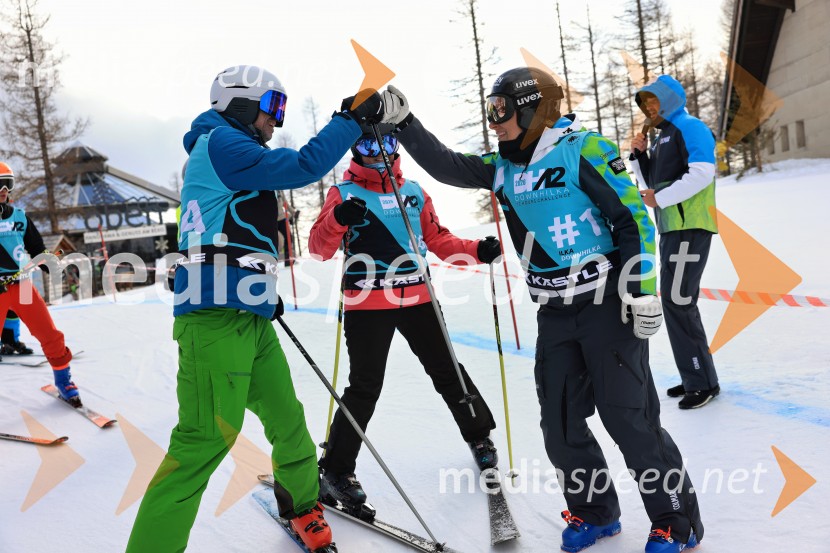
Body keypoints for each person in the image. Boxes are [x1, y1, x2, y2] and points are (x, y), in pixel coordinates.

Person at [381, 68, 703, 553]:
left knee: (630, 419)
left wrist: (641, 288)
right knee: (560, 422)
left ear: (533, 107)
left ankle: (677, 523)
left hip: (606, 307)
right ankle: (596, 513)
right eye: (491, 110)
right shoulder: (504, 167)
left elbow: (633, 216)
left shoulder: (582, 148)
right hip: (554, 312)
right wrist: (404, 124)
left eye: (502, 110)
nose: (496, 122)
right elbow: (447, 165)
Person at [125, 65, 390, 553]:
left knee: (289, 423)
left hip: (246, 313)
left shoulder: (232, 152)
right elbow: (303, 166)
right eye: (274, 108)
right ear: (242, 103)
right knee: (202, 444)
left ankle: (303, 506)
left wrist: (258, 289)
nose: (277, 121)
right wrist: (349, 120)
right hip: (214, 323)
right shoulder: (221, 143)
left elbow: (233, 235)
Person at [308, 122, 502, 517]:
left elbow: (438, 240)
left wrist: (477, 250)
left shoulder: (413, 191)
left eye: (387, 140)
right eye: (367, 142)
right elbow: (318, 248)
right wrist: (339, 218)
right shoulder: (343, 192)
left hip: (418, 297)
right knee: (364, 386)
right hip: (367, 301)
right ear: (355, 147)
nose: (378, 150)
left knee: (448, 370)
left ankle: (479, 436)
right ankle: (335, 470)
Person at [630, 75, 720, 410]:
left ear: (670, 99)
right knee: (674, 301)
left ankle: (703, 381)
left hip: (690, 224)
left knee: (679, 300)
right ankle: (695, 375)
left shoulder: (689, 126)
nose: (649, 107)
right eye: (645, 103)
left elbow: (701, 173)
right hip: (672, 226)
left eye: (654, 100)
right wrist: (639, 157)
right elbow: (650, 186)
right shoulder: (662, 136)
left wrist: (662, 198)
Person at [0, 162, 77, 401]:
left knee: (50, 334)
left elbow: (36, 248)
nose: (3, 189)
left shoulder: (20, 217)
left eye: (8, 183)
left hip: (21, 286)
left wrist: (50, 265)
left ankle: (64, 382)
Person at [276, 190, 298, 266]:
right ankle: (271, 262)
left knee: (289, 238)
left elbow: (284, 202)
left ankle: (289, 260)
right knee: (273, 241)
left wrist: (293, 212)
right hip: (271, 219)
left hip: (282, 218)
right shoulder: (267, 187)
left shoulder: (279, 189)